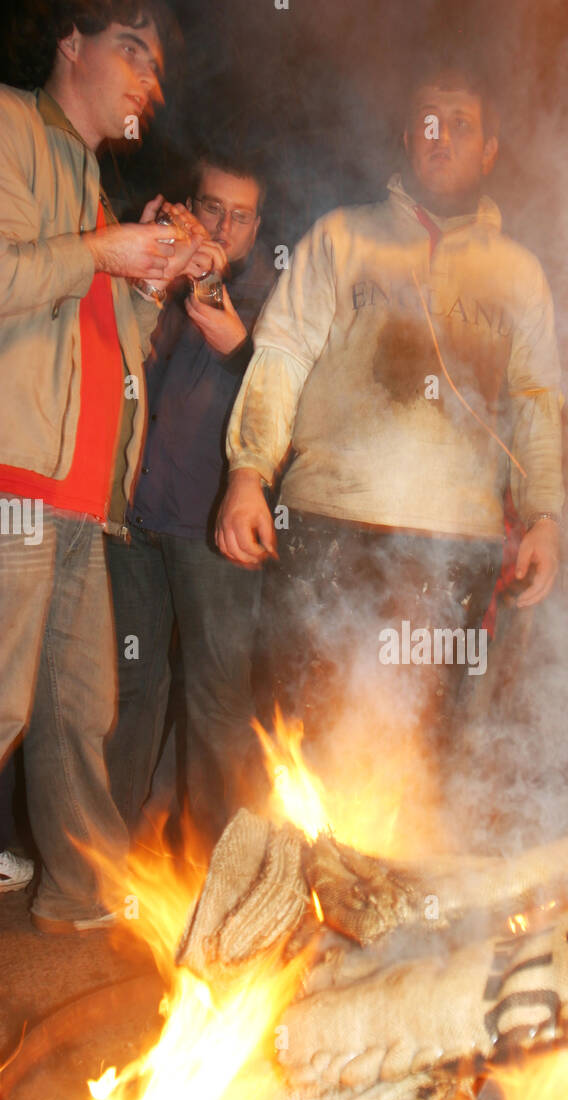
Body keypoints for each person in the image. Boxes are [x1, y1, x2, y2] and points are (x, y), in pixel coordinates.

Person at [215, 62, 563, 808]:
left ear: (490, 149)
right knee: (300, 736)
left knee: (422, 748)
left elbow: (537, 401)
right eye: (428, 122)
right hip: (325, 525)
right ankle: (286, 906)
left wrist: (543, 517)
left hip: (453, 543)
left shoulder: (521, 274)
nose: (441, 137)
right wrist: (248, 473)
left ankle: (396, 917)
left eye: (461, 123)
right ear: (407, 137)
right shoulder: (339, 238)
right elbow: (279, 356)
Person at [0, 1, 225, 933]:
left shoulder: (88, 178)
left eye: (157, 66)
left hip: (83, 498)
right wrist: (101, 249)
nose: (149, 80)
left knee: (77, 711)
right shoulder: (10, 125)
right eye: (132, 50)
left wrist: (144, 285)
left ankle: (81, 902)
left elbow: (103, 341)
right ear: (70, 44)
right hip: (15, 483)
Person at [105, 152, 277, 852]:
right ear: (189, 206)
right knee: (126, 686)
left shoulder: (274, 294)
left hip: (215, 528)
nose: (224, 227)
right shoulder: (159, 273)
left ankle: (211, 865)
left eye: (240, 216)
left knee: (216, 697)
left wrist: (240, 344)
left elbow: (290, 399)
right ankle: (106, 857)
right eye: (212, 208)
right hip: (135, 517)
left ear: (256, 225)